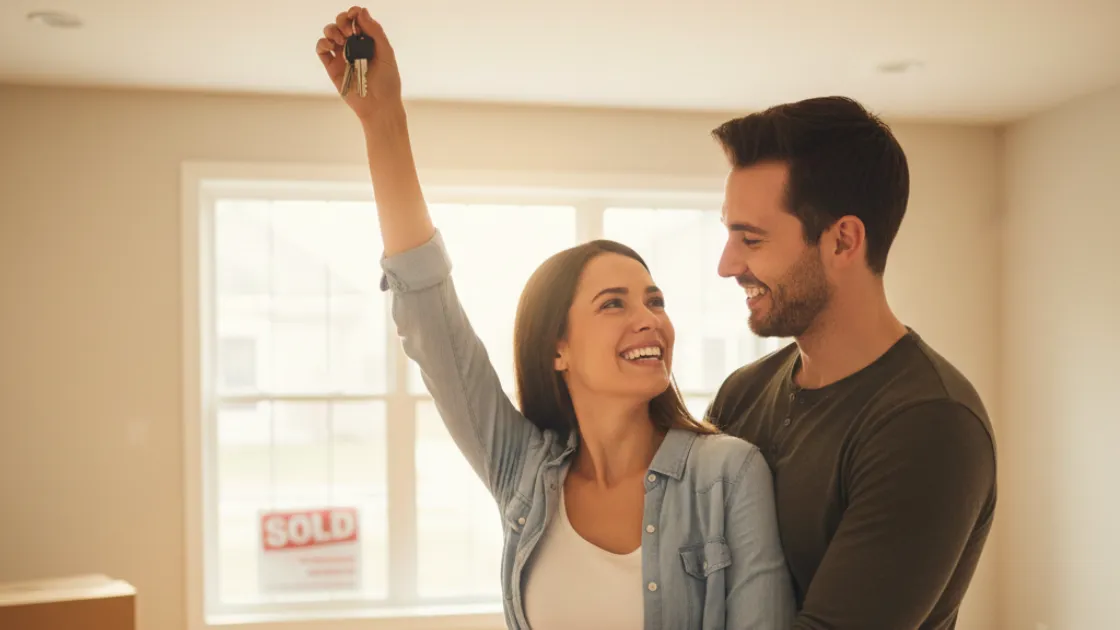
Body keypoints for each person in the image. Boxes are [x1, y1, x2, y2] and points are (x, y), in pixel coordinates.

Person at [315, 6, 795, 629]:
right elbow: (430, 319)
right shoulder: (524, 472)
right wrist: (383, 118)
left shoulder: (727, 473)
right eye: (613, 303)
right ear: (557, 349)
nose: (649, 319)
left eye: (654, 300)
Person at [703, 96, 998, 630]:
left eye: (751, 239)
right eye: (729, 235)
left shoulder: (929, 423)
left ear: (843, 241)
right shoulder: (742, 392)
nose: (727, 265)